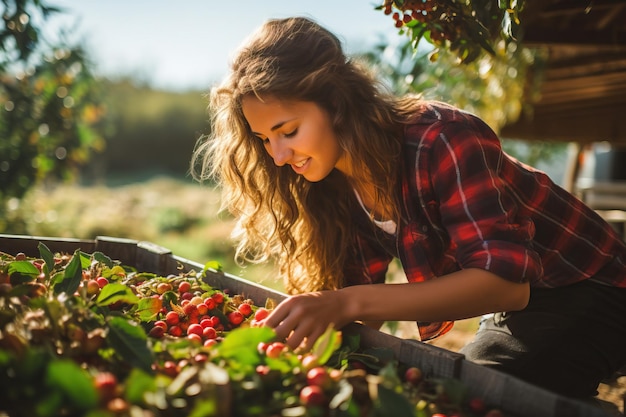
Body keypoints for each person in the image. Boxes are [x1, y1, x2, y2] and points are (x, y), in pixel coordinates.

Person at [191, 16, 626, 398]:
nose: (279, 156)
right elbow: (355, 302)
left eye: (288, 130)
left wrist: (346, 304)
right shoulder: (332, 183)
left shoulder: (442, 138)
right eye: (265, 140)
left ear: (337, 103)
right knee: (428, 385)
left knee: (481, 391)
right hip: (522, 303)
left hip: (594, 285)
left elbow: (505, 284)